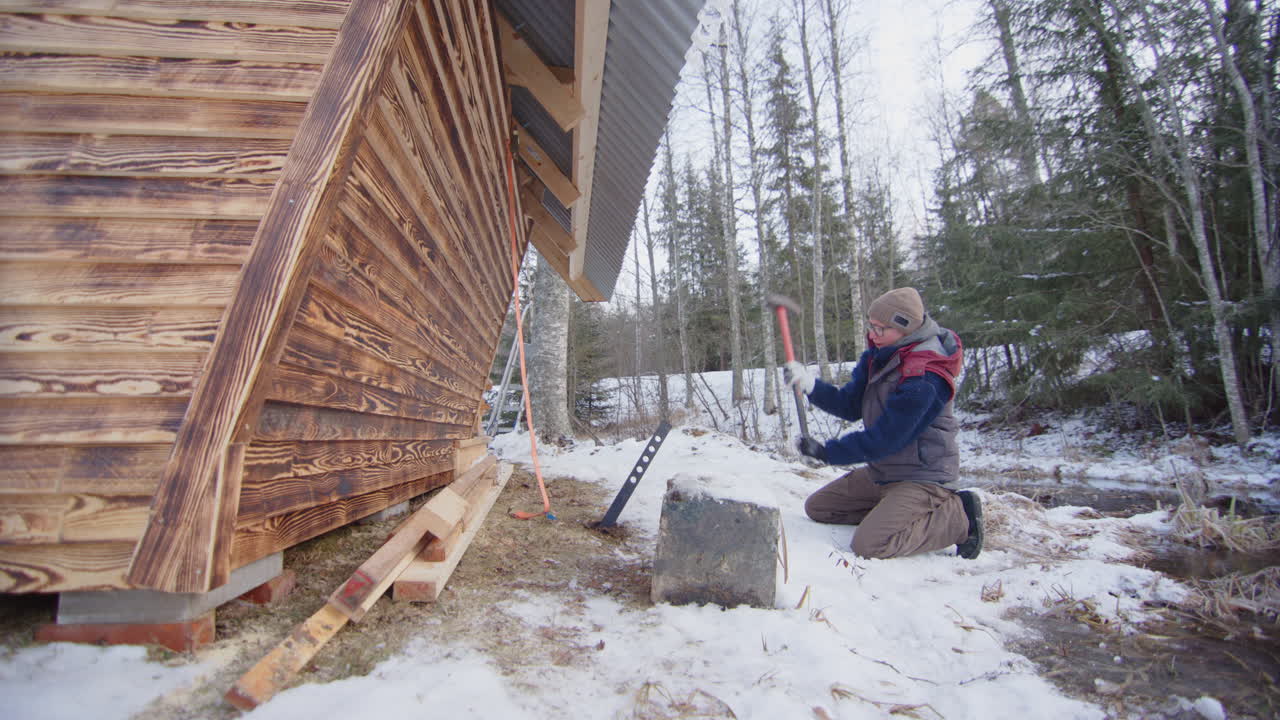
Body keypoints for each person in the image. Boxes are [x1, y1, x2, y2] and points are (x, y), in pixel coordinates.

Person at [782, 287, 983, 560]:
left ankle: (957, 518)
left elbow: (887, 438)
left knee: (870, 545)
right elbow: (850, 405)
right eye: (871, 325)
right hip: (885, 471)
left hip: (923, 476)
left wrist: (827, 453)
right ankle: (893, 511)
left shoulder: (925, 376)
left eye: (881, 328)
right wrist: (811, 386)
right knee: (819, 508)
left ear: (906, 328)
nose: (873, 334)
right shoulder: (880, 355)